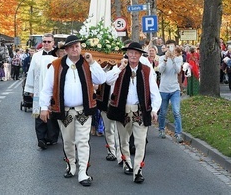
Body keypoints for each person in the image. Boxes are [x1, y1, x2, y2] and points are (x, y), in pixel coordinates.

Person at [39, 35, 107, 187]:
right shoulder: (56, 65)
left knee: (83, 141)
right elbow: (47, 88)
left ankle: (83, 172)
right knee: (68, 141)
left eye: (77, 46)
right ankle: (71, 166)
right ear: (66, 50)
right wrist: (44, 107)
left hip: (84, 109)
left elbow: (101, 80)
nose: (75, 49)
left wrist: (92, 62)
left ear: (80, 48)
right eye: (71, 47)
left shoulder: (87, 64)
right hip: (65, 111)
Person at [107, 42, 161, 184]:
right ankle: (127, 163)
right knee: (124, 140)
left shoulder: (147, 70)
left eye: (136, 53)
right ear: (127, 54)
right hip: (122, 109)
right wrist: (119, 68)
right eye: (130, 53)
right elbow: (108, 81)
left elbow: (154, 92)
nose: (133, 55)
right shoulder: (120, 68)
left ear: (140, 55)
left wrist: (154, 109)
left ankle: (138, 171)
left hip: (140, 111)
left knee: (140, 142)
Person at [24, 33, 60, 150]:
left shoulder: (58, 56)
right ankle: (41, 139)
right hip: (39, 89)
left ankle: (51, 137)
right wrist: (30, 89)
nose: (46, 44)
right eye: (44, 41)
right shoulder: (36, 56)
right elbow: (31, 72)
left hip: (54, 90)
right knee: (39, 115)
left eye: (49, 42)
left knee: (52, 115)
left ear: (53, 43)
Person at [158, 40, 184, 143]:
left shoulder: (179, 58)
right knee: (163, 112)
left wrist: (173, 59)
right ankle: (161, 129)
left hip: (174, 89)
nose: (170, 49)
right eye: (168, 47)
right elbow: (161, 70)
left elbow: (178, 71)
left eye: (172, 47)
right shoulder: (161, 58)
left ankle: (178, 133)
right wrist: (165, 59)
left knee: (176, 111)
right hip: (164, 89)